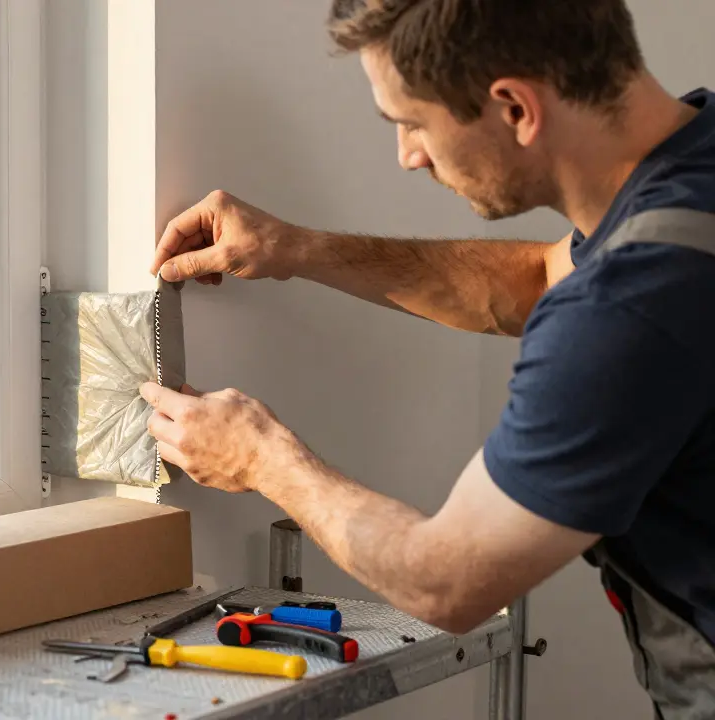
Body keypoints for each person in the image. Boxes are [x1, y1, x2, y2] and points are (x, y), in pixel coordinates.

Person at [138, 1, 715, 716]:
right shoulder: (691, 171)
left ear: (513, 108)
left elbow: (447, 582)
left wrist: (261, 457)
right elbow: (542, 279)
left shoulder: (632, 305)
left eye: (412, 122)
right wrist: (301, 250)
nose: (409, 154)